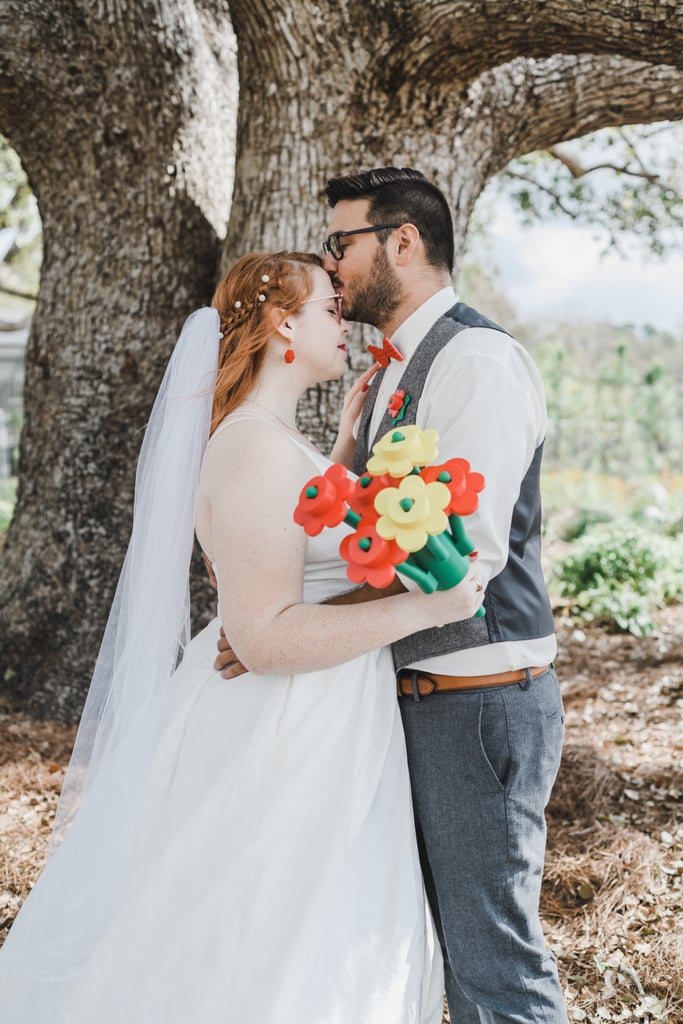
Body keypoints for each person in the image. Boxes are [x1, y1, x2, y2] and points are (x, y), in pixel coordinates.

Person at [0, 250, 485, 1023]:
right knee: (264, 939)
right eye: (330, 307)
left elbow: (292, 549)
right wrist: (432, 608)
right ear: (282, 323)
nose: (345, 324)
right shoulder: (253, 446)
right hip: (281, 728)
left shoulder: (269, 442)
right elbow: (262, 639)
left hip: (322, 719)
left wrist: (346, 448)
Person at [218, 171, 568, 1023]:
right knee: (430, 951)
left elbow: (462, 566)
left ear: (400, 243)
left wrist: (290, 626)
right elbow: (373, 541)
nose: (332, 267)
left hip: (477, 699)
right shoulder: (393, 375)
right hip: (410, 699)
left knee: (492, 961)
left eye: (341, 245)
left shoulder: (474, 361)